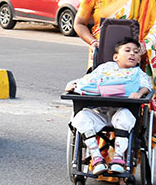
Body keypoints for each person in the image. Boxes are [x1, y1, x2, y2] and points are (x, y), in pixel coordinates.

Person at [75, 0, 156, 108]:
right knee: (99, 98)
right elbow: (79, 23)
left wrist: (145, 46)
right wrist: (93, 42)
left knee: (133, 101)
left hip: (133, 57)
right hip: (101, 55)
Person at [65, 37, 151, 175]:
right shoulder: (105, 67)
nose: (132, 54)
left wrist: (139, 93)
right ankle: (97, 159)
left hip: (120, 112)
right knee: (81, 117)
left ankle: (118, 158)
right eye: (127, 51)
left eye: (136, 52)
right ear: (116, 57)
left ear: (139, 59)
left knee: (125, 117)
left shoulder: (138, 73)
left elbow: (146, 86)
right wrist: (73, 85)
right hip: (99, 112)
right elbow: (89, 80)